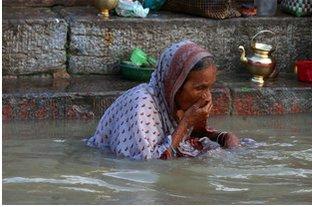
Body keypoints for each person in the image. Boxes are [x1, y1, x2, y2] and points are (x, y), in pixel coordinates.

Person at [86, 40, 239, 160]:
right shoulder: (142, 104)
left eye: (209, 88)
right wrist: (185, 123)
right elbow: (148, 165)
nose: (206, 96)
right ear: (174, 84)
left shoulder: (172, 104)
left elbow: (192, 138)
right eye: (200, 88)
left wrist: (224, 137)